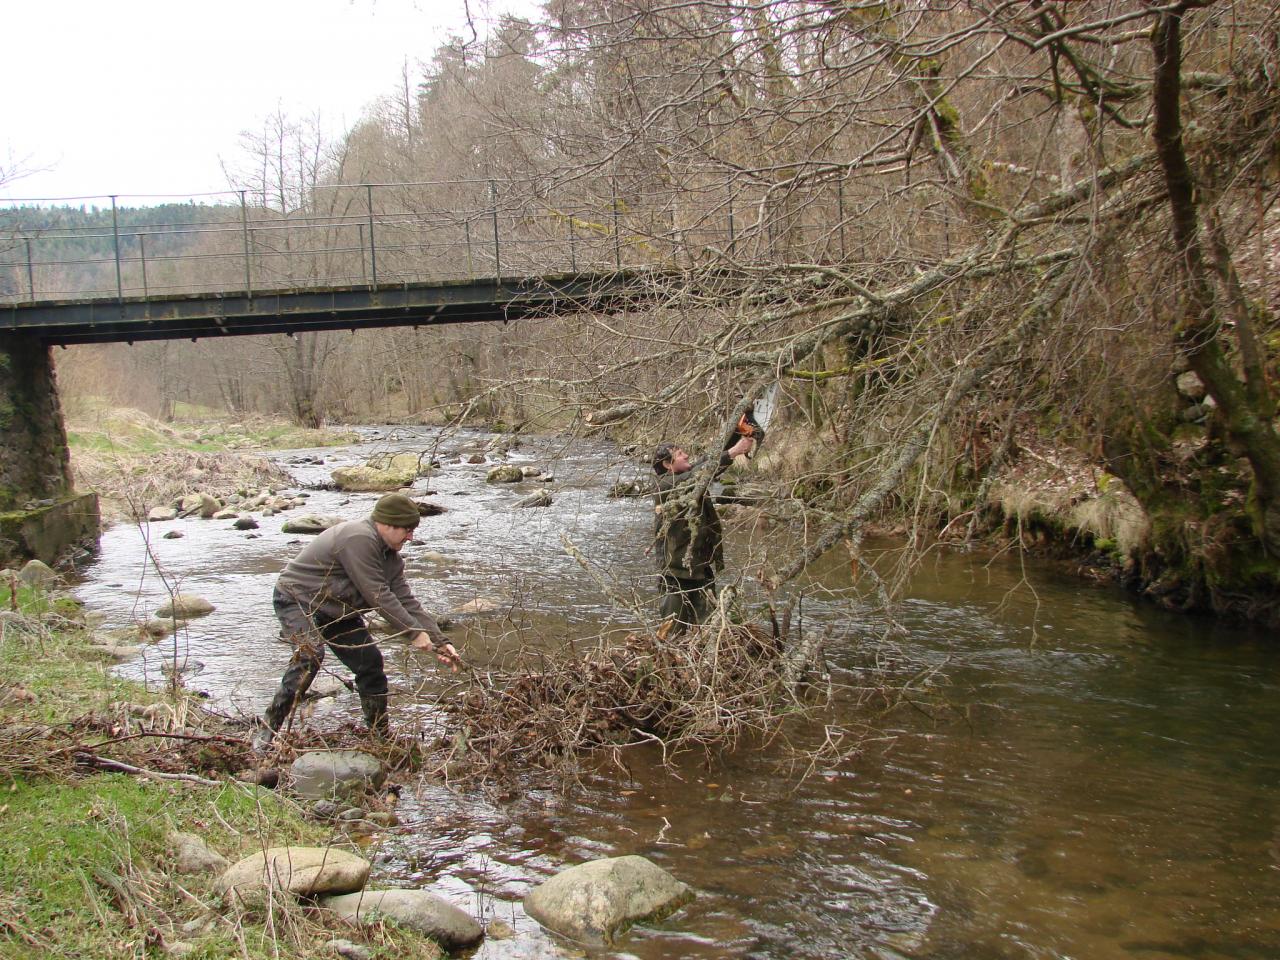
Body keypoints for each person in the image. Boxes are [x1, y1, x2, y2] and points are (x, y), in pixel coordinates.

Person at [253, 492, 458, 749]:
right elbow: (377, 594)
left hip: (337, 610)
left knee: (370, 664)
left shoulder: (391, 558)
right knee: (310, 656)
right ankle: (267, 731)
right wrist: (414, 634)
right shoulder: (358, 537)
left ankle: (379, 736)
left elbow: (406, 601)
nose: (411, 537)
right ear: (387, 524)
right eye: (407, 530)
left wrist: (440, 641)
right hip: (297, 599)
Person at [652, 434, 755, 632]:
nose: (687, 455)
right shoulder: (664, 485)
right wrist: (734, 452)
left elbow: (708, 463)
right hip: (675, 574)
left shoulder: (693, 478)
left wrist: (736, 438)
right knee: (673, 631)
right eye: (681, 454)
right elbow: (701, 473)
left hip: (700, 568)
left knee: (709, 629)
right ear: (667, 464)